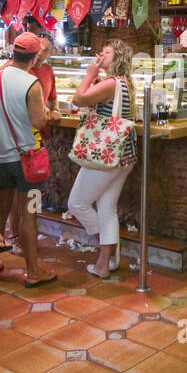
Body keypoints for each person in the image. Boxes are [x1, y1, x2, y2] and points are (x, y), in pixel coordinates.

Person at [0, 32, 53, 287]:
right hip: (26, 158)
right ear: (34, 57)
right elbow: (38, 121)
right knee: (29, 213)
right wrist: (50, 115)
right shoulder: (31, 83)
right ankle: (33, 271)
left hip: (0, 157)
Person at [68, 41, 137, 279]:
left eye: (106, 52)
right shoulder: (125, 83)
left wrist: (89, 75)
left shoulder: (109, 83)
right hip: (125, 154)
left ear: (117, 58)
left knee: (76, 203)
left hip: (107, 153)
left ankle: (104, 252)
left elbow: (79, 99)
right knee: (107, 208)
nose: (100, 54)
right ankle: (104, 263)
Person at [31, 33, 59, 121]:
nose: (39, 53)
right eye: (38, 48)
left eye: (45, 50)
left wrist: (55, 110)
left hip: (41, 124)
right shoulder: (20, 68)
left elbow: (52, 98)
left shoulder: (48, 70)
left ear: (50, 54)